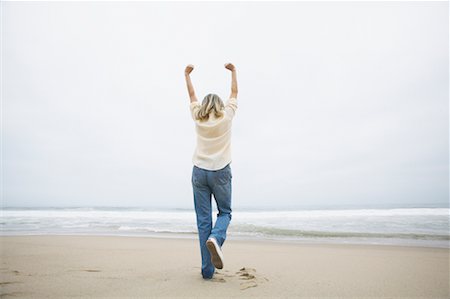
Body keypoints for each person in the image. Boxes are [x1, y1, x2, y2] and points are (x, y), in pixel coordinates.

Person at [184, 62, 238, 280]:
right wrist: (234, 71)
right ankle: (216, 238)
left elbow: (192, 94)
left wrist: (186, 74)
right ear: (220, 105)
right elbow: (234, 92)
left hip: (199, 172)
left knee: (203, 220)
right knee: (224, 213)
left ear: (205, 106)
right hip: (221, 172)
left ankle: (207, 270)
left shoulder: (198, 117)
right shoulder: (227, 117)